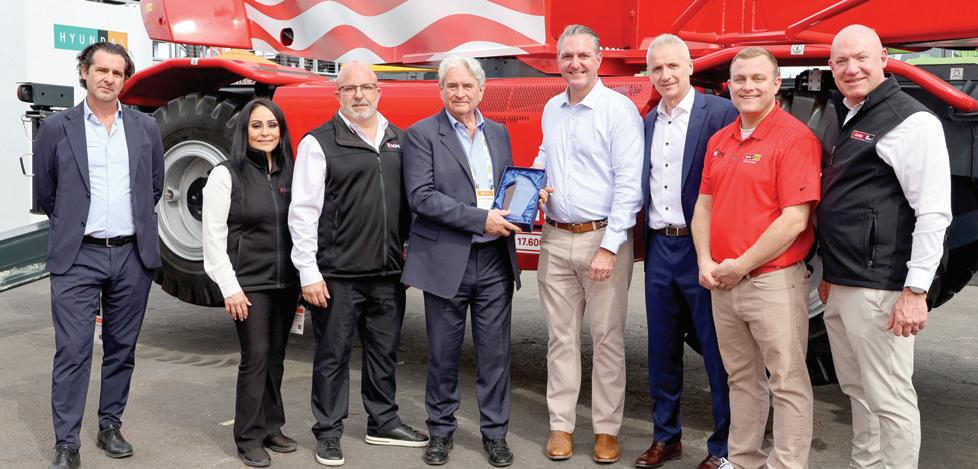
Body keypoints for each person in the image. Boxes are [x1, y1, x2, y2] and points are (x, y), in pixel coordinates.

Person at [818, 25, 952, 469]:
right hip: (844, 283)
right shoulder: (848, 114)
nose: (851, 68)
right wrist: (830, 276)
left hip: (882, 287)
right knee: (858, 390)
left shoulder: (911, 121)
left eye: (861, 58)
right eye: (841, 61)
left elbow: (933, 212)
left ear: (883, 58)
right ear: (831, 67)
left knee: (890, 398)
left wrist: (916, 291)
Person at [289, 61, 428, 467]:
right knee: (332, 357)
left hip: (388, 273)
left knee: (383, 353)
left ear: (379, 91)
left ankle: (383, 421)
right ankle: (328, 431)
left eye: (367, 87)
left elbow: (410, 206)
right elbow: (303, 212)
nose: (359, 95)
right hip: (338, 275)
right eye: (350, 89)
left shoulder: (398, 139)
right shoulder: (319, 142)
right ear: (338, 95)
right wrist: (308, 272)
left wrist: (409, 259)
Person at [32, 42, 163, 469]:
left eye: (117, 73)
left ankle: (110, 425)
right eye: (101, 70)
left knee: (121, 348)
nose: (109, 78)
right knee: (73, 350)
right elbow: (47, 192)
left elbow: (154, 187)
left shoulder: (146, 128)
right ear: (84, 72)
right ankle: (67, 443)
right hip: (78, 256)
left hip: (131, 255)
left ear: (125, 80)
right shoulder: (57, 128)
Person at [690, 46, 820, 469]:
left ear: (776, 84)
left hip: (771, 281)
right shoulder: (720, 140)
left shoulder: (795, 139)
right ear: (729, 85)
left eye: (758, 78)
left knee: (787, 381)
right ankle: (744, 460)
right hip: (722, 281)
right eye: (740, 79)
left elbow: (794, 220)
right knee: (742, 379)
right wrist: (705, 261)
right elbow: (704, 206)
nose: (748, 87)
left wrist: (740, 265)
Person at [401, 55, 521, 467]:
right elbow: (421, 197)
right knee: (443, 354)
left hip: (494, 261)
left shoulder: (499, 133)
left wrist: (526, 198)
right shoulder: (421, 135)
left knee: (495, 355)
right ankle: (440, 432)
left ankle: (495, 435)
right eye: (451, 86)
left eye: (467, 86)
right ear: (440, 90)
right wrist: (479, 219)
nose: (459, 93)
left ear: (481, 90)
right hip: (446, 259)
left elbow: (505, 187)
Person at [534, 24, 644, 464]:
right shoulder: (552, 108)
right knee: (559, 339)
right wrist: (537, 185)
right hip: (555, 237)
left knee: (607, 340)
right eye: (567, 56)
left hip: (602, 237)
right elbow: (546, 155)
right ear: (558, 61)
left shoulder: (619, 110)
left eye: (583, 55)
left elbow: (629, 185)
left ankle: (606, 430)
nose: (575, 63)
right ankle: (560, 426)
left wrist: (610, 246)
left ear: (599, 59)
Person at [635, 34, 737, 469]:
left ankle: (724, 446)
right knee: (661, 350)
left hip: (704, 248)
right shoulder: (647, 121)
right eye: (657, 68)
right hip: (660, 246)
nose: (665, 75)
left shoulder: (720, 112)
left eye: (673, 65)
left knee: (717, 351)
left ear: (691, 67)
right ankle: (666, 437)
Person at [201, 98, 300, 467]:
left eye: (272, 125)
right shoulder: (225, 175)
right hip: (248, 284)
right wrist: (230, 287)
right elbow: (212, 238)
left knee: (276, 357)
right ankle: (248, 437)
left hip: (286, 283)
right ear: (245, 131)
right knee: (256, 357)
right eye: (256, 126)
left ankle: (272, 426)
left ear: (281, 130)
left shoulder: (290, 172)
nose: (265, 132)